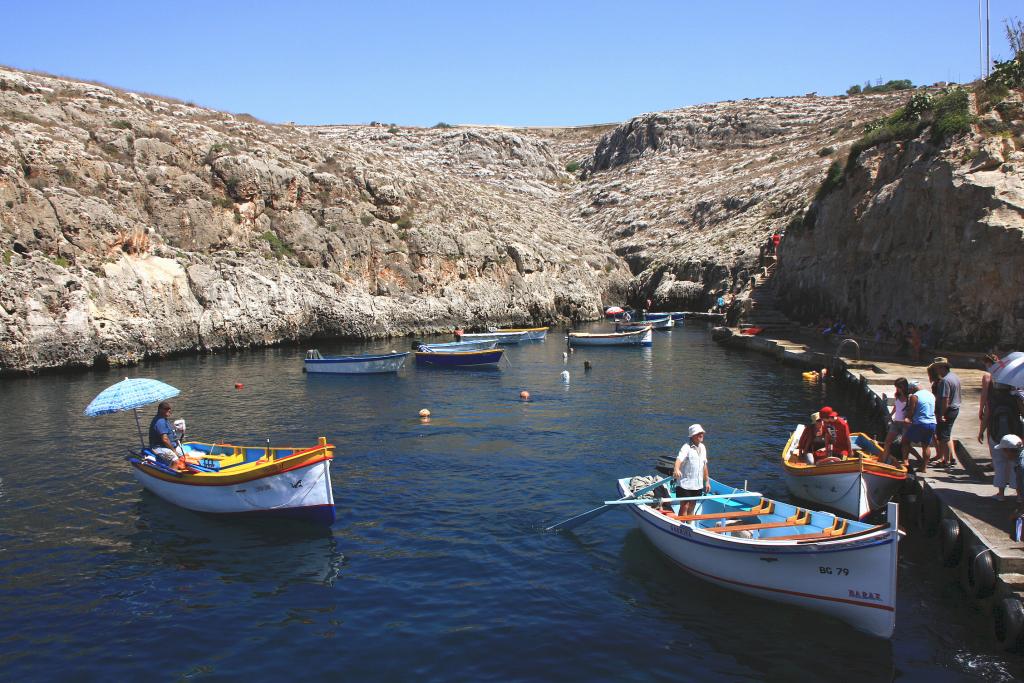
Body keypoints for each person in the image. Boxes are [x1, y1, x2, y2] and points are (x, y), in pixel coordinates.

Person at [980, 380, 1024, 500]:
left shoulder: (992, 399)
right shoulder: (1016, 398)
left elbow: (986, 416)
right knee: (1015, 465)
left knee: (999, 464)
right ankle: (1019, 495)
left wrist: (981, 431)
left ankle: (1001, 494)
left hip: (996, 435)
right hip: (1014, 435)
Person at [929, 357, 962, 469]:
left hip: (947, 410)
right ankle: (950, 458)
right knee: (946, 435)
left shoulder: (945, 381)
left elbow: (945, 399)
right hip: (955, 408)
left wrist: (942, 414)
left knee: (943, 437)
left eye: (937, 367)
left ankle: (945, 460)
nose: (936, 370)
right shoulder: (954, 377)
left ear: (942, 367)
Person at [672, 424, 710, 517]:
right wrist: (676, 469)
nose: (701, 435)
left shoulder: (703, 447)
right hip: (685, 484)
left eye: (702, 433)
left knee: (692, 506)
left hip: (697, 485)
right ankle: (681, 527)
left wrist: (707, 481)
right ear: (693, 435)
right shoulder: (686, 447)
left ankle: (689, 525)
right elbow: (678, 460)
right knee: (684, 506)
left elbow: (704, 465)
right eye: (699, 433)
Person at [901, 379, 936, 472]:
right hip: (932, 423)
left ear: (913, 388)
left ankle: (906, 462)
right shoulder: (931, 394)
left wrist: (907, 419)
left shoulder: (915, 396)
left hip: (920, 423)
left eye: (910, 390)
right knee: (926, 445)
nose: (910, 392)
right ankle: (924, 467)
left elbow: (911, 411)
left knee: (905, 441)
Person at [148, 401, 189, 472]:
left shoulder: (164, 419)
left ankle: (183, 471)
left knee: (186, 457)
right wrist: (174, 450)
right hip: (159, 447)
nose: (169, 410)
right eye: (166, 409)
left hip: (170, 446)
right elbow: (165, 439)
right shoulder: (160, 421)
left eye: (169, 409)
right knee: (175, 460)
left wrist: (179, 431)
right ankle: (172, 476)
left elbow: (169, 433)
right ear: (160, 410)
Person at [883, 378, 909, 457]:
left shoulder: (909, 396)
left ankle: (915, 459)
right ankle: (884, 459)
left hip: (904, 423)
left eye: (899, 387)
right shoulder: (897, 395)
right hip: (896, 422)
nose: (897, 389)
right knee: (888, 441)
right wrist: (890, 415)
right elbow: (896, 406)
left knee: (905, 444)